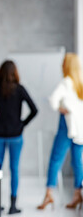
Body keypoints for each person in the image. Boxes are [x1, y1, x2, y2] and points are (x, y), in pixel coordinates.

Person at [0, 60, 38, 214]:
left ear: (0, 72)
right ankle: (13, 205)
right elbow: (34, 110)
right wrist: (22, 124)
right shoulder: (20, 90)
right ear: (15, 73)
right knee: (14, 169)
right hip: (16, 135)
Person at [37, 53, 83, 210]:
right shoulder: (80, 82)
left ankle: (49, 194)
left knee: (55, 159)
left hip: (67, 125)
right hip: (80, 128)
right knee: (77, 162)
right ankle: (78, 194)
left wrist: (60, 108)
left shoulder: (66, 82)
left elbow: (52, 100)